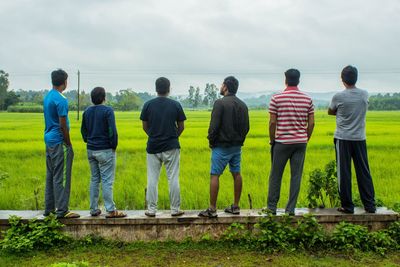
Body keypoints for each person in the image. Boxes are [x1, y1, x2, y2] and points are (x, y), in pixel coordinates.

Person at [198, 76, 249, 218]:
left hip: (221, 146)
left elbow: (213, 126)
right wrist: (239, 140)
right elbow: (246, 127)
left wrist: (211, 141)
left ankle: (212, 209)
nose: (220, 87)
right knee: (236, 173)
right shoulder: (243, 105)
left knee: (215, 175)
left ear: (225, 86)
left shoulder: (220, 103)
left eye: (221, 85)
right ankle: (236, 206)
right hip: (236, 147)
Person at [328, 65, 376, 214]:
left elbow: (331, 111)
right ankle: (370, 206)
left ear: (342, 79)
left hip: (343, 139)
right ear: (356, 78)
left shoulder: (338, 96)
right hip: (360, 138)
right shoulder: (364, 94)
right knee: (364, 172)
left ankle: (347, 206)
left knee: (344, 173)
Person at [266, 69, 314, 215]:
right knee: (296, 176)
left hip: (281, 142)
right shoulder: (307, 99)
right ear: (298, 80)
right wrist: (305, 137)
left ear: (285, 80)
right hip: (300, 143)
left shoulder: (276, 98)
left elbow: (272, 123)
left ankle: (271, 208)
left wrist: (272, 139)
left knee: (276, 175)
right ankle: (290, 210)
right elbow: (311, 123)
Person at [140, 77, 186, 217]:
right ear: (169, 88)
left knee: (152, 178)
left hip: (153, 146)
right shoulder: (176, 105)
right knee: (173, 178)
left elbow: (145, 126)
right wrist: (172, 137)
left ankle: (151, 210)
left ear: (156, 89)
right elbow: (181, 127)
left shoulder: (148, 105)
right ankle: (175, 209)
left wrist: (154, 135)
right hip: (171, 146)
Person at [81, 87, 126, 218]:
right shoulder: (108, 111)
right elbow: (112, 130)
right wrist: (113, 145)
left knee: (95, 179)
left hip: (91, 149)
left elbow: (83, 131)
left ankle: (94, 209)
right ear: (104, 97)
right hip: (105, 149)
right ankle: (111, 210)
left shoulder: (87, 112)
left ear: (92, 98)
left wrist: (88, 141)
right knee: (107, 181)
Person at [43, 69, 80, 219]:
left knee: (51, 175)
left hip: (49, 140)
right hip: (59, 141)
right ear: (64, 82)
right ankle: (62, 210)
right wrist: (68, 144)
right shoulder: (61, 100)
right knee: (62, 176)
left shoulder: (47, 97)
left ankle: (49, 209)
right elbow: (62, 125)